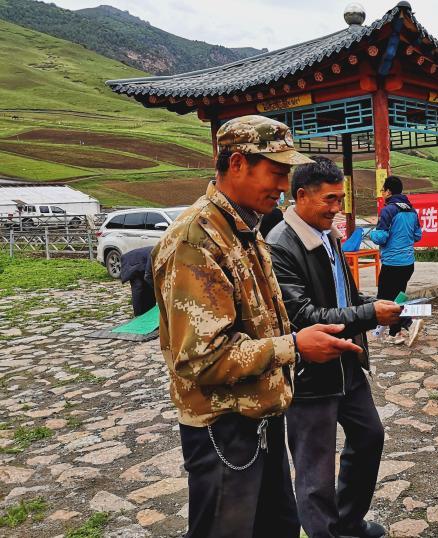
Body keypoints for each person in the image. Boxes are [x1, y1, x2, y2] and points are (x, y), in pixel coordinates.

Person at [150, 116, 362, 538]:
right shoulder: (196, 240)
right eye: (276, 172)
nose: (283, 186)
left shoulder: (245, 229)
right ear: (237, 164)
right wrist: (294, 347)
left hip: (261, 413)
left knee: (279, 527)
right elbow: (202, 358)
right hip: (223, 425)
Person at [267, 156, 400, 538]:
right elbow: (303, 315)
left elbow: (349, 295)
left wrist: (380, 310)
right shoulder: (280, 245)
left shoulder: (330, 235)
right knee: (316, 470)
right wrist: (370, 313)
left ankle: (348, 522)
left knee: (369, 436)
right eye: (329, 199)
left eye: (340, 199)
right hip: (310, 371)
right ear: (301, 196)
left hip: (347, 363)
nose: (337, 208)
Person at [369, 176, 423, 345]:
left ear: (388, 191)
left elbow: (381, 237)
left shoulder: (388, 210)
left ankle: (410, 323)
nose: (383, 193)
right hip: (408, 263)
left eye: (383, 190)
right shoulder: (411, 210)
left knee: (384, 298)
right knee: (398, 298)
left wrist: (372, 234)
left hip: (392, 263)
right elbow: (417, 235)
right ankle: (395, 334)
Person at [119, 246, 155, 316]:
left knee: (149, 293)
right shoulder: (155, 254)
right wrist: (157, 290)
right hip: (133, 264)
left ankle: (149, 314)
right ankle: (138, 316)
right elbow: (148, 276)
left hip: (142, 264)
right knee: (139, 291)